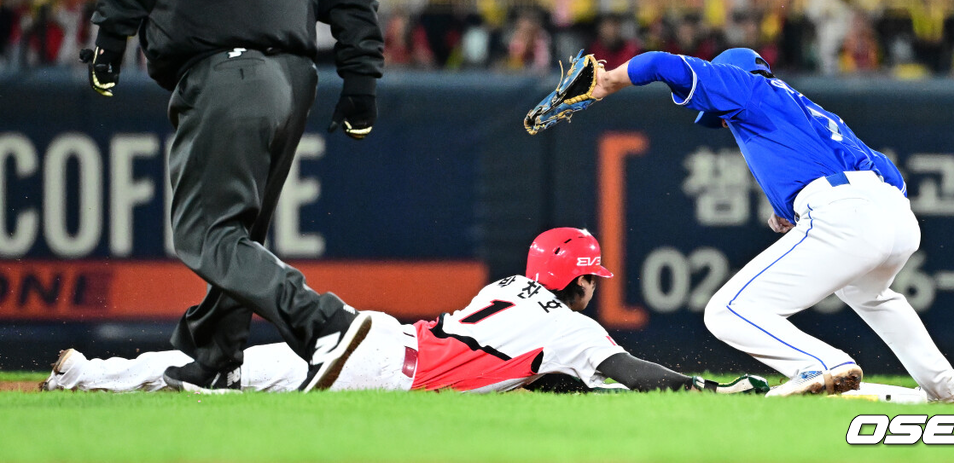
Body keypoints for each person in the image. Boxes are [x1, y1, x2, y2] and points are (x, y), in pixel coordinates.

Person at [80, 0, 385, 393]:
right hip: (296, 82)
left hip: (228, 73)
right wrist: (361, 86)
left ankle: (327, 322)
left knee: (206, 233)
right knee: (239, 234)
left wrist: (108, 40)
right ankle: (215, 356)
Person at [585, 48, 954, 402]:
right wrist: (798, 207)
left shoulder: (747, 86)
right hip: (895, 215)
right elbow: (885, 182)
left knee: (727, 312)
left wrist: (611, 79)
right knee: (871, 295)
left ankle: (821, 363)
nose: (718, 121)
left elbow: (660, 64)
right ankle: (946, 387)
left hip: (845, 211)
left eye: (716, 111)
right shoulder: (812, 113)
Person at [41, 228, 768, 396]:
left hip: (385, 335)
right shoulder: (573, 327)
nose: (594, 290)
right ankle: (92, 375)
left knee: (224, 371)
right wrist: (700, 387)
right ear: (578, 284)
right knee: (229, 379)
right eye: (590, 279)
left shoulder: (511, 286)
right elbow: (628, 370)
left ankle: (89, 372)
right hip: (389, 367)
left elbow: (526, 367)